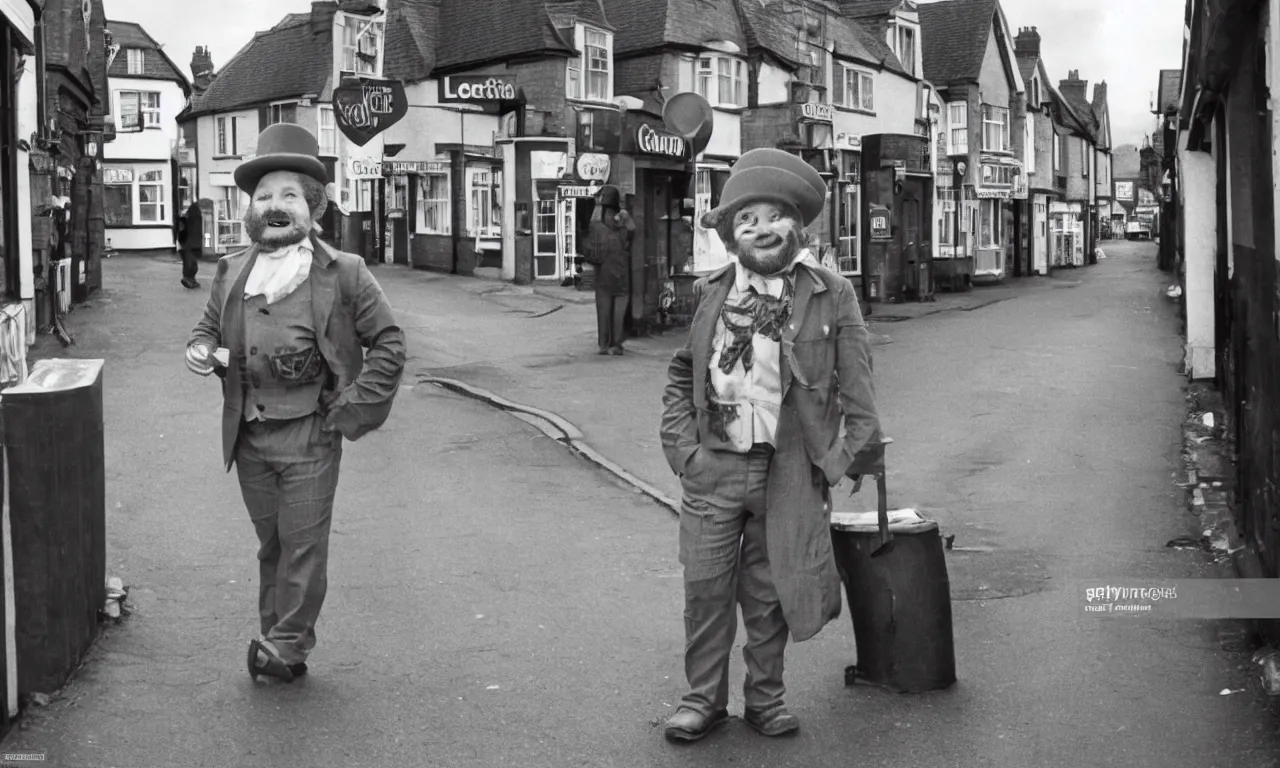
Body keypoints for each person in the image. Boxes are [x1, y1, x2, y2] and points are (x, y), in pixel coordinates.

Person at [658, 148, 880, 741]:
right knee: (705, 589)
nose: (762, 228)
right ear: (733, 234)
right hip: (715, 464)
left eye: (774, 215)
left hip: (787, 468)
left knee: (769, 591)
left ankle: (765, 699)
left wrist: (833, 465)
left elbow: (859, 390)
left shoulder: (832, 295)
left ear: (796, 226)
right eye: (747, 218)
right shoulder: (714, 292)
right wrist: (685, 452)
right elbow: (683, 374)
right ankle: (702, 699)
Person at [183, 123, 406, 683]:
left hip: (310, 431)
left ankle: (288, 646)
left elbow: (390, 342)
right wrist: (201, 348)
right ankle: (273, 636)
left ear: (313, 205)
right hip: (249, 433)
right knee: (272, 545)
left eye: (289, 195)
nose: (275, 206)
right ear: (251, 208)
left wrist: (352, 409)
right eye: (264, 196)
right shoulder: (232, 268)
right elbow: (207, 328)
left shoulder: (345, 272)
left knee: (303, 547)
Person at [585, 186, 633, 355]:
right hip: (620, 272)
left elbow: (589, 241)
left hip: (602, 273)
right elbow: (632, 233)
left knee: (603, 309)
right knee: (619, 311)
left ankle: (603, 345)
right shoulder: (623, 221)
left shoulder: (596, 224)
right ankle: (616, 344)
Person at [178, 201, 204, 289]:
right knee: (191, 264)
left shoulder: (187, 217)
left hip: (188, 244)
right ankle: (188, 279)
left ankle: (190, 279)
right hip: (189, 244)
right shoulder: (194, 216)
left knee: (191, 264)